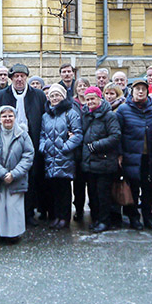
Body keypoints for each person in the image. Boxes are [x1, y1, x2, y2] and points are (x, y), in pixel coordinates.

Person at [0, 63, 47, 225]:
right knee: (11, 178)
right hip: (9, 142)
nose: (20, 79)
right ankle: (12, 214)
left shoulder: (38, 95)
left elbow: (44, 119)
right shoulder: (1, 95)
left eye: (22, 76)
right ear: (11, 79)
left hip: (32, 141)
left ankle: (29, 212)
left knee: (31, 177)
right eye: (16, 76)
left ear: (26, 78)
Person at [0, 106, 35, 242]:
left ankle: (14, 234)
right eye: (4, 116)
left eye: (10, 116)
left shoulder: (22, 134)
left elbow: (28, 155)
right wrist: (2, 173)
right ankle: (0, 232)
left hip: (16, 178)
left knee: (13, 206)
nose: (7, 119)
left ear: (15, 118)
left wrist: (14, 174)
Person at [39, 84, 83, 229]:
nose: (55, 98)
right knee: (53, 189)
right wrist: (43, 146)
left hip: (64, 157)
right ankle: (56, 216)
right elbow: (42, 134)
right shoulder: (46, 115)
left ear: (63, 96)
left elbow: (77, 134)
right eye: (52, 95)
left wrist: (65, 148)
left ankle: (64, 217)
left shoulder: (70, 113)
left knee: (64, 188)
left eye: (57, 95)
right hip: (50, 157)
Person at [116, 80, 152, 230]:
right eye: (137, 89)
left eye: (143, 89)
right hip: (130, 156)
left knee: (148, 189)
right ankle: (133, 218)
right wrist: (119, 154)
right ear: (131, 92)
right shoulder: (123, 110)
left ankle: (147, 218)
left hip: (149, 157)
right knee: (132, 188)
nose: (140, 92)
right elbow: (118, 134)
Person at [81, 87, 121, 233]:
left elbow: (115, 136)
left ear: (100, 98)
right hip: (90, 162)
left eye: (93, 98)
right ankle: (97, 219)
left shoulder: (109, 115)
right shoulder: (86, 115)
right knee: (93, 194)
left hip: (104, 161)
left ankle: (105, 221)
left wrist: (96, 146)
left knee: (103, 194)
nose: (90, 101)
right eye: (88, 99)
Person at [72, 77, 90, 221]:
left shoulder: (92, 102)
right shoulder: (71, 104)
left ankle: (93, 209)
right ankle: (78, 209)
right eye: (79, 86)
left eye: (84, 86)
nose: (82, 88)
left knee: (91, 182)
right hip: (77, 148)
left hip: (91, 147)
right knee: (78, 183)